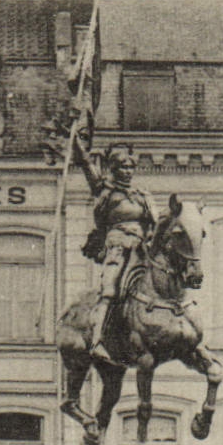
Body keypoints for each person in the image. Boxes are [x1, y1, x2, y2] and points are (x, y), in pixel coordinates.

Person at [72, 139, 155, 365]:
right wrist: (78, 142)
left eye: (130, 168)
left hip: (142, 249)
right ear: (114, 169)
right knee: (109, 289)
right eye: (122, 168)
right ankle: (97, 340)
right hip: (117, 248)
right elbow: (87, 164)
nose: (127, 172)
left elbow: (154, 225)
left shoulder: (143, 196)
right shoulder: (106, 192)